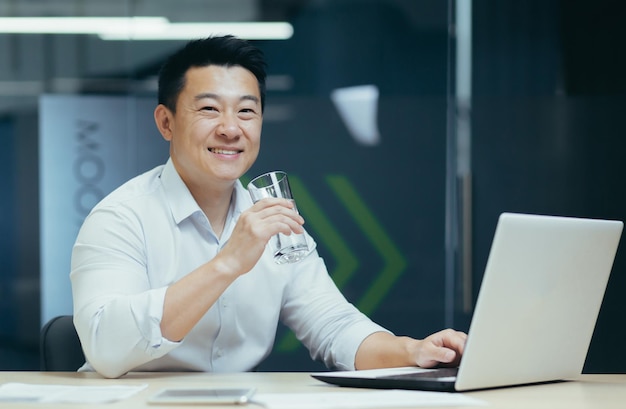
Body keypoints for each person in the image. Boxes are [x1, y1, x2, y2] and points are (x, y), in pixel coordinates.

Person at [70, 35, 467, 379]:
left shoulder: (273, 219)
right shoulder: (120, 217)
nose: (230, 128)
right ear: (166, 123)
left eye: (246, 110)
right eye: (209, 109)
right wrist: (227, 263)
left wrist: (412, 352)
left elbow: (333, 326)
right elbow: (105, 348)